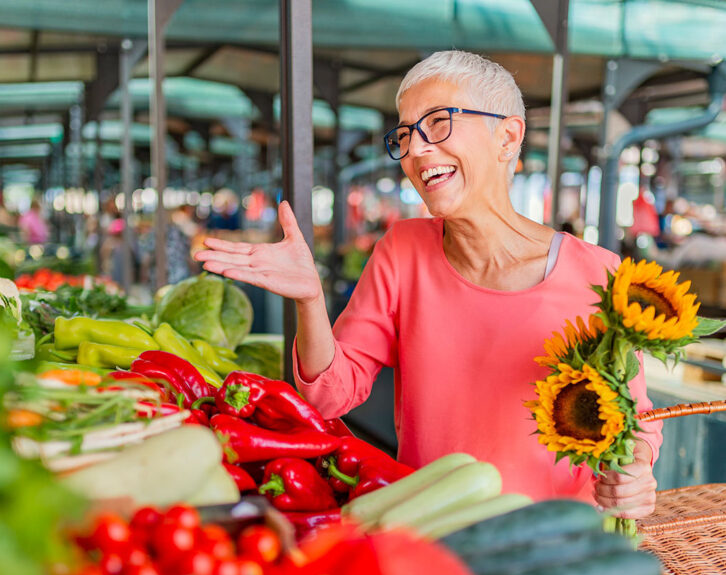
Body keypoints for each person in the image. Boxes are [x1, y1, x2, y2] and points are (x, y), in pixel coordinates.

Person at [195, 51, 662, 517]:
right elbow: (330, 394)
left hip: (554, 550)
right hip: (429, 534)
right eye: (405, 135)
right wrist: (310, 298)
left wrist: (635, 473)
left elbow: (636, 421)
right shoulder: (402, 251)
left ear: (507, 135)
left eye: (438, 124)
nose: (416, 150)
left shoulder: (598, 275)